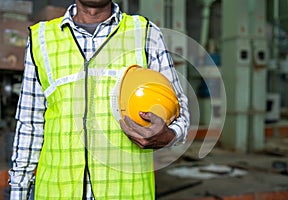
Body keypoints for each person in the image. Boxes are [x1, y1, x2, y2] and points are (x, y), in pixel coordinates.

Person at [9, 0, 190, 199]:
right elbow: (30, 124)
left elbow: (178, 109)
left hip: (127, 193)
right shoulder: (41, 39)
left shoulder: (145, 34)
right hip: (57, 192)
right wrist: (19, 191)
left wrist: (169, 135)